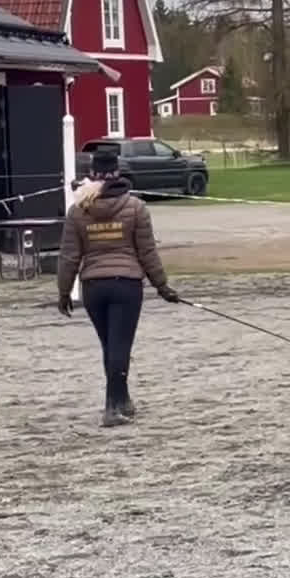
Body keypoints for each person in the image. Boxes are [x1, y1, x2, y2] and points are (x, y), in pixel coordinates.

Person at [55, 147, 180, 427]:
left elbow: (69, 256)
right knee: (120, 346)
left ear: (92, 175)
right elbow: (147, 252)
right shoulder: (136, 207)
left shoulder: (78, 211)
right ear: (118, 173)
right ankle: (112, 407)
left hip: (93, 287)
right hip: (126, 285)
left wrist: (64, 292)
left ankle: (122, 400)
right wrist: (162, 286)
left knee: (109, 346)